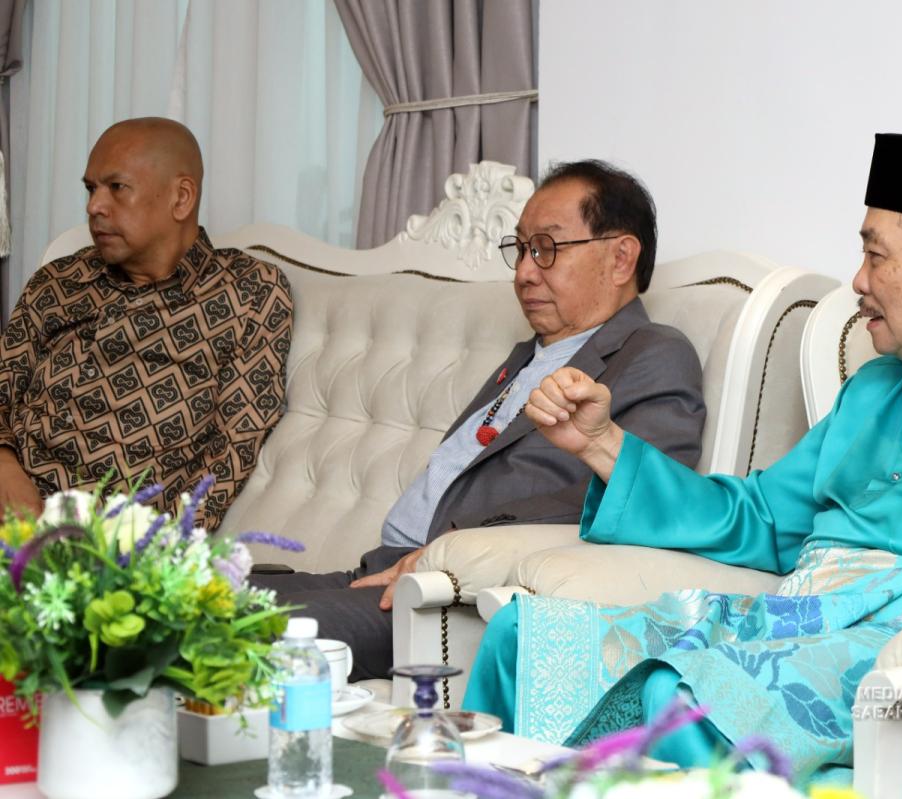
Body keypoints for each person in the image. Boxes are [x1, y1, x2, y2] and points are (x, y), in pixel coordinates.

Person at [463, 134, 902, 783]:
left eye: (876, 256)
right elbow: (763, 519)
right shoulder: (873, 388)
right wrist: (603, 444)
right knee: (522, 637)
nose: (857, 280)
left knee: (674, 697)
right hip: (793, 616)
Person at [254, 160, 706, 680]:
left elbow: (646, 501)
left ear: (621, 258)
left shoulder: (653, 355)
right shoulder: (528, 357)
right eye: (521, 249)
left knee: (234, 631)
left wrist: (451, 554)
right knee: (196, 600)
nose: (523, 273)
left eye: (547, 248)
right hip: (383, 570)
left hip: (448, 601)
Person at [0, 117, 292, 530]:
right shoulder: (60, 280)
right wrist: (4, 464)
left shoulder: (247, 292)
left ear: (181, 197)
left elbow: (234, 446)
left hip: (99, 539)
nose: (94, 206)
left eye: (116, 187)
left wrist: (158, 549)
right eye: (91, 188)